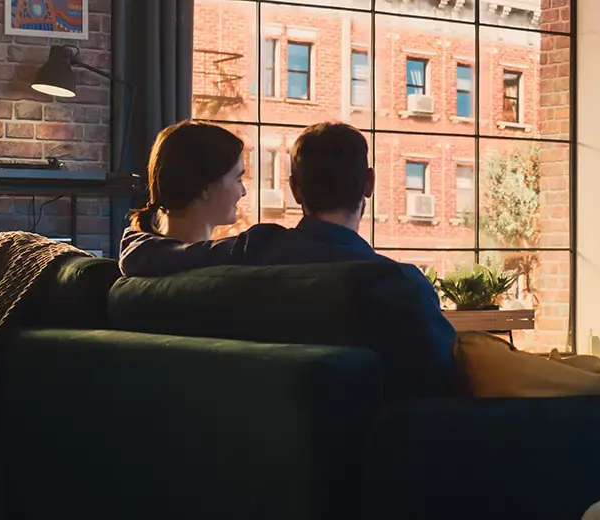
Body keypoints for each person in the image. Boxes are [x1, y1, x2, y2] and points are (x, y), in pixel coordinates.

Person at [119, 122, 457, 376]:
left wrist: (135, 238)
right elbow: (444, 376)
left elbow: (154, 255)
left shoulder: (255, 251)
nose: (243, 191)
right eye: (238, 179)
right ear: (369, 183)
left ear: (295, 189)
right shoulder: (401, 285)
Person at [127, 121, 248, 242]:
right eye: (238, 180)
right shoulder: (198, 260)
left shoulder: (143, 253)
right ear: (204, 188)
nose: (244, 192)